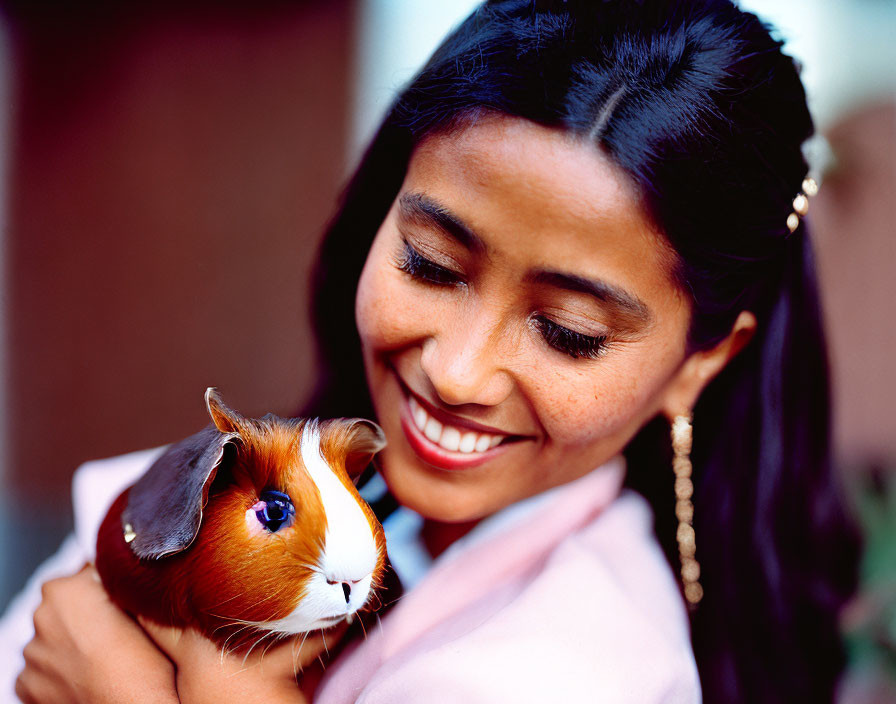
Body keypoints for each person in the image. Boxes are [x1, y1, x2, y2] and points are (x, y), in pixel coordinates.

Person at [10, 0, 860, 702]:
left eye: (568, 333)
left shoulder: (595, 668)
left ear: (701, 361)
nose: (454, 371)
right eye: (430, 265)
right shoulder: (286, 482)